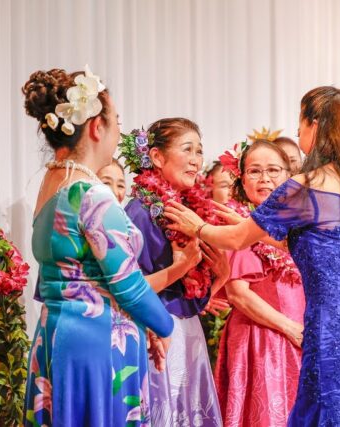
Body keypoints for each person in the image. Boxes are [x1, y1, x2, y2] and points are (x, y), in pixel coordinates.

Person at [165, 86, 340, 426]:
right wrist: (251, 227)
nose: (297, 132)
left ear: (316, 126)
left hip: (338, 331)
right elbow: (326, 246)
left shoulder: (306, 186)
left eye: (301, 123)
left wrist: (198, 227)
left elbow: (236, 239)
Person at [22, 67, 174, 426]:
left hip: (54, 334)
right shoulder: (90, 194)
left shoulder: (51, 184)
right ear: (95, 127)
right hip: (95, 342)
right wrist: (164, 326)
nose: (119, 130)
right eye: (116, 121)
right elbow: (128, 286)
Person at [122, 119, 228, 426]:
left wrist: (221, 275)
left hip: (188, 332)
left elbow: (191, 296)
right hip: (155, 334)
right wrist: (180, 267)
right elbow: (128, 291)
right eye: (187, 149)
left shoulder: (189, 214)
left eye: (199, 151)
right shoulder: (139, 212)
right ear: (156, 157)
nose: (196, 160)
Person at [214, 139, 305, 426]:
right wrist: (289, 328)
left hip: (301, 337)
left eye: (273, 170)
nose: (264, 178)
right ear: (242, 179)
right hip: (261, 341)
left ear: (289, 176)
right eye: (254, 171)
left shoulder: (298, 225)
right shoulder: (234, 222)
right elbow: (238, 294)